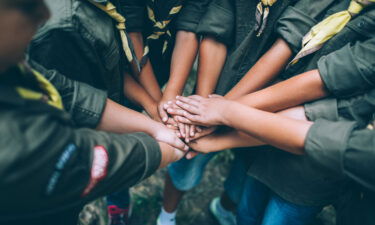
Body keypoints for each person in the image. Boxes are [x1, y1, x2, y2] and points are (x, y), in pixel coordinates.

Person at [168, 0, 375, 224]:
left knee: (270, 209)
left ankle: (226, 207)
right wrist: (209, 109)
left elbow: (326, 93)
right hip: (253, 113)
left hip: (298, 153)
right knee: (246, 208)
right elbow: (220, 21)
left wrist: (226, 113)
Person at [0, 1, 188, 225]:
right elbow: (88, 162)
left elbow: (68, 92)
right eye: (27, 7)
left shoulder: (9, 61)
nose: (43, 12)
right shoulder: (12, 142)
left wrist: (155, 127)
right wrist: (170, 148)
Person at [158, 1, 298, 225]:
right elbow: (216, 29)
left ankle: (224, 209)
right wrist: (203, 107)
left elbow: (289, 48)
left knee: (245, 170)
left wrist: (224, 110)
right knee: (186, 160)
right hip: (214, 89)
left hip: (266, 111)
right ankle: (166, 216)